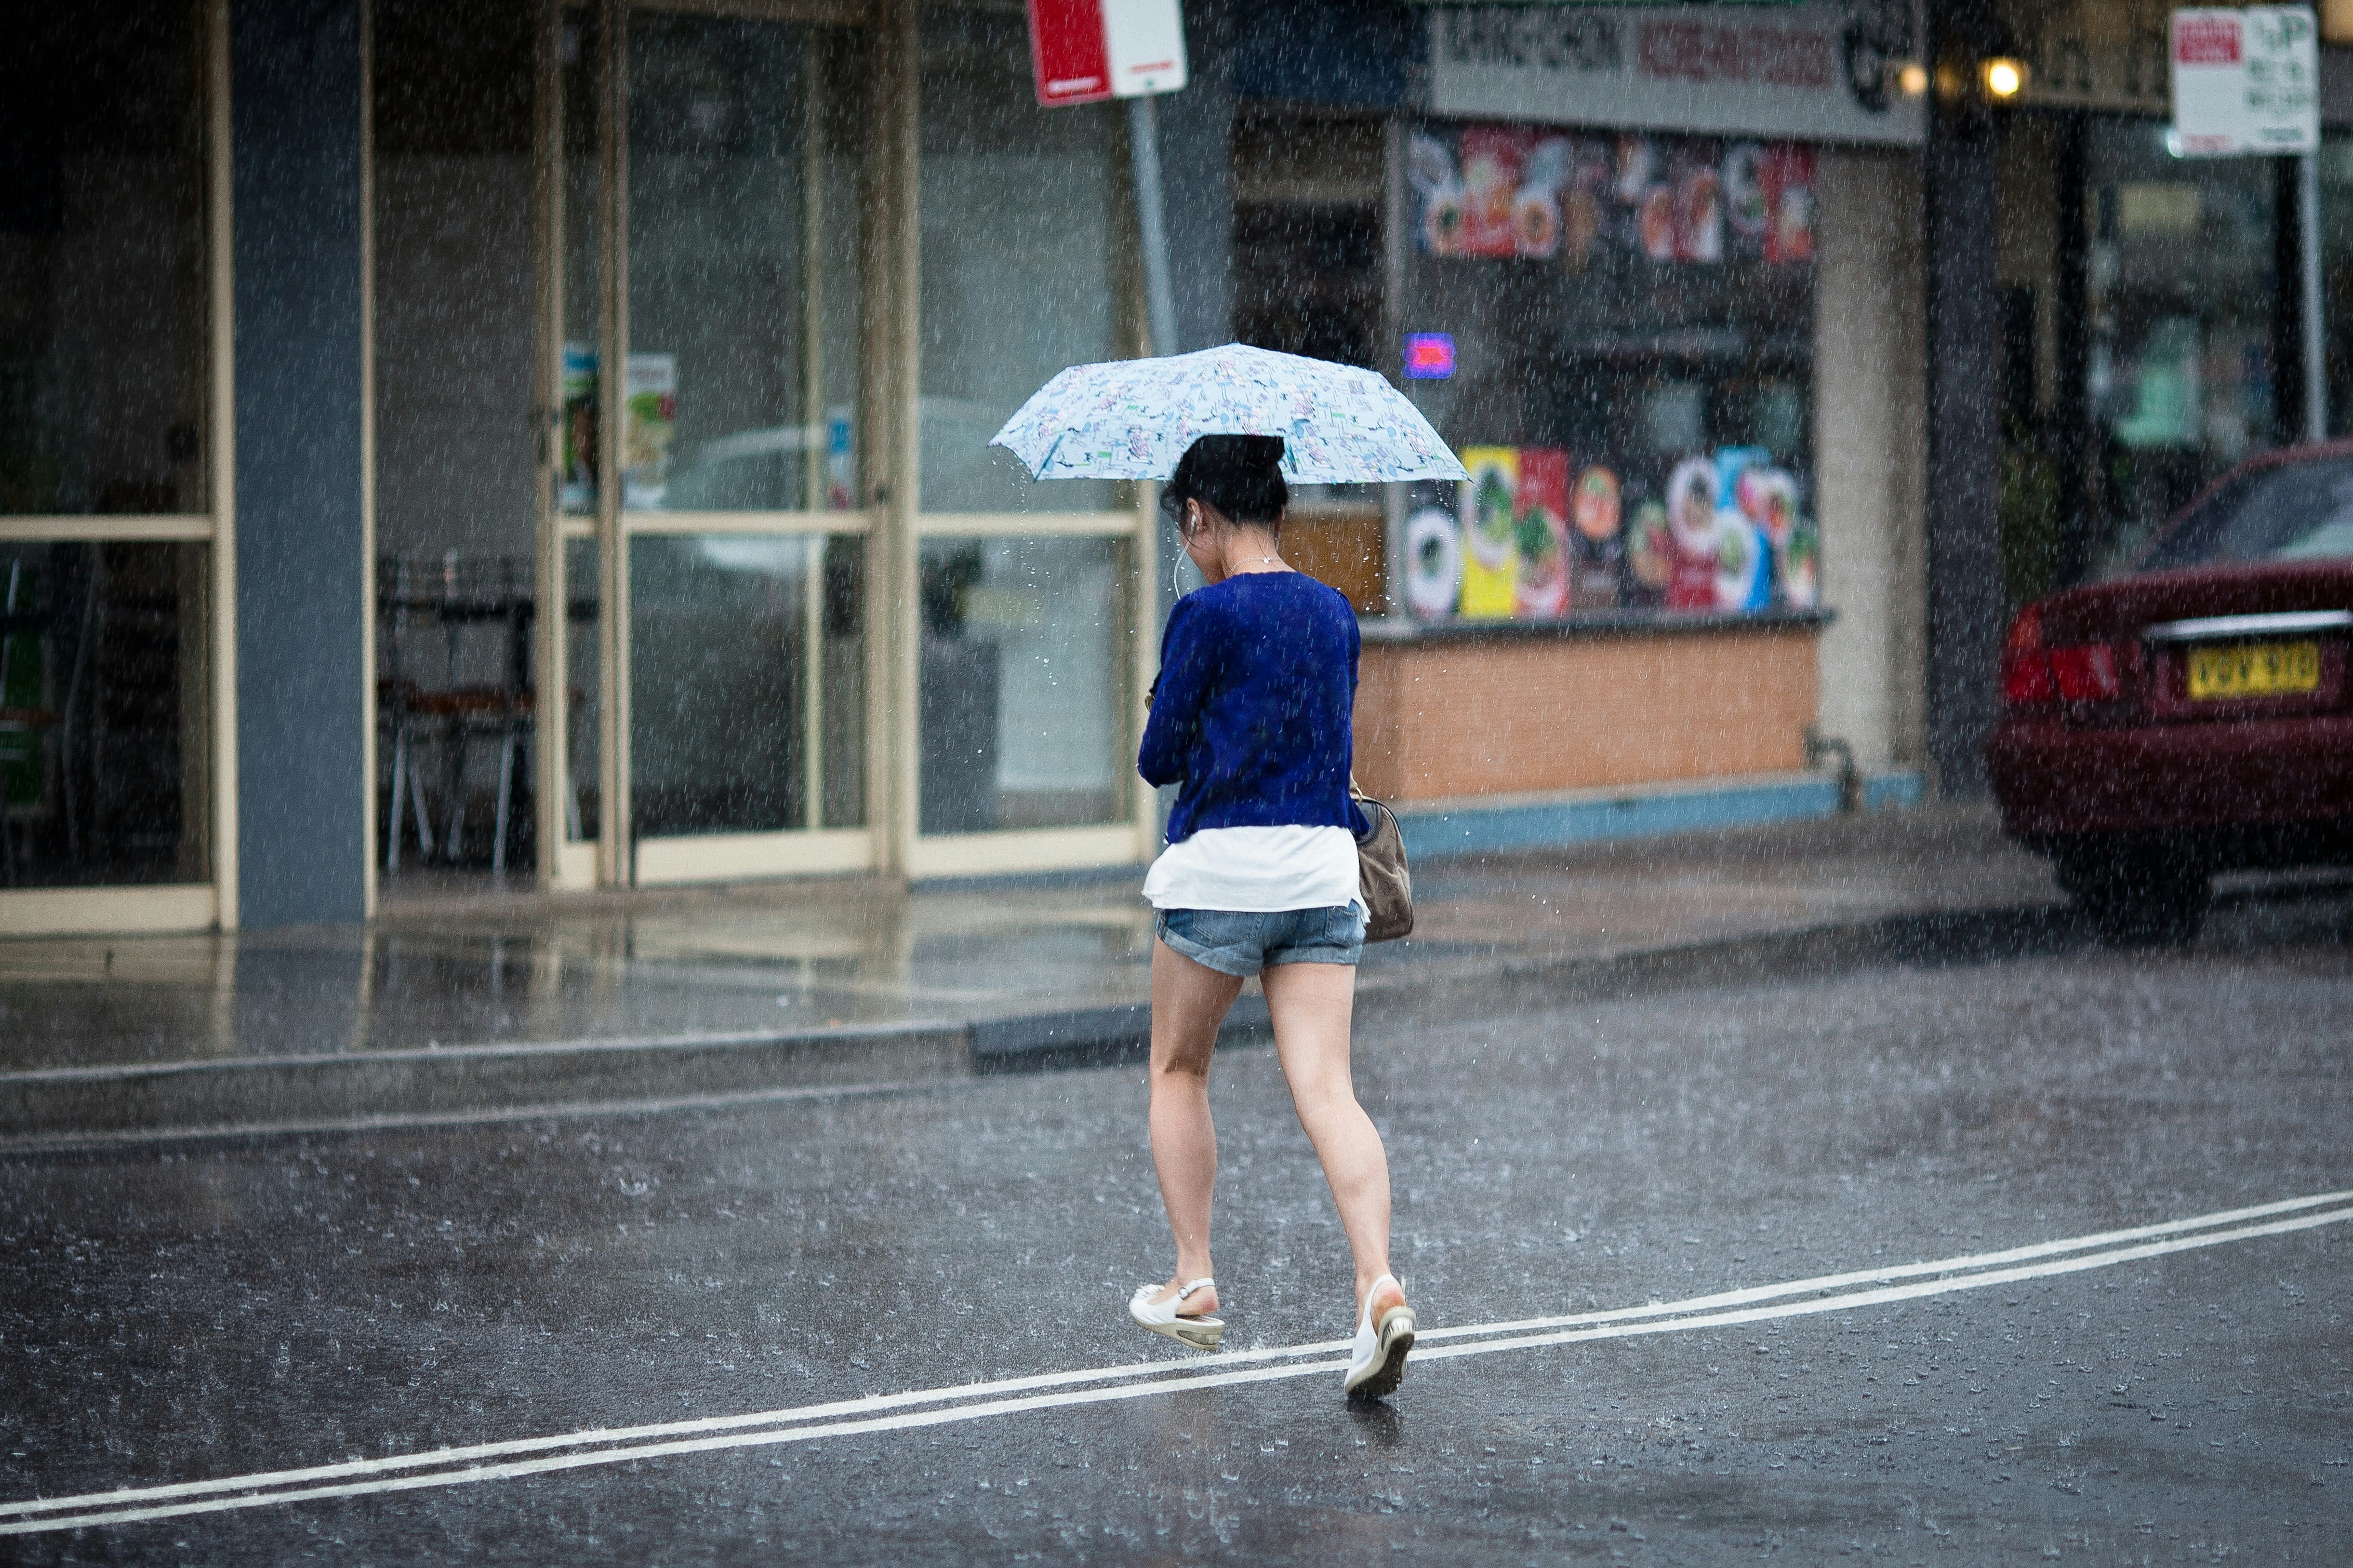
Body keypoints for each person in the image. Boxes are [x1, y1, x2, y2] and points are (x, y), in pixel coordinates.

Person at [1126, 433, 1416, 1401]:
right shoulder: (1333, 613)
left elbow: (1159, 759)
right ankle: (1378, 1284)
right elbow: (1317, 742)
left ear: (1199, 518)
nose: (1186, 543)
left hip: (1219, 877)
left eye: (1184, 526)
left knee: (1179, 1066)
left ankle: (1194, 1279)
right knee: (1329, 1093)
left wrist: (1167, 696)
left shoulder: (1202, 615)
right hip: (1319, 878)